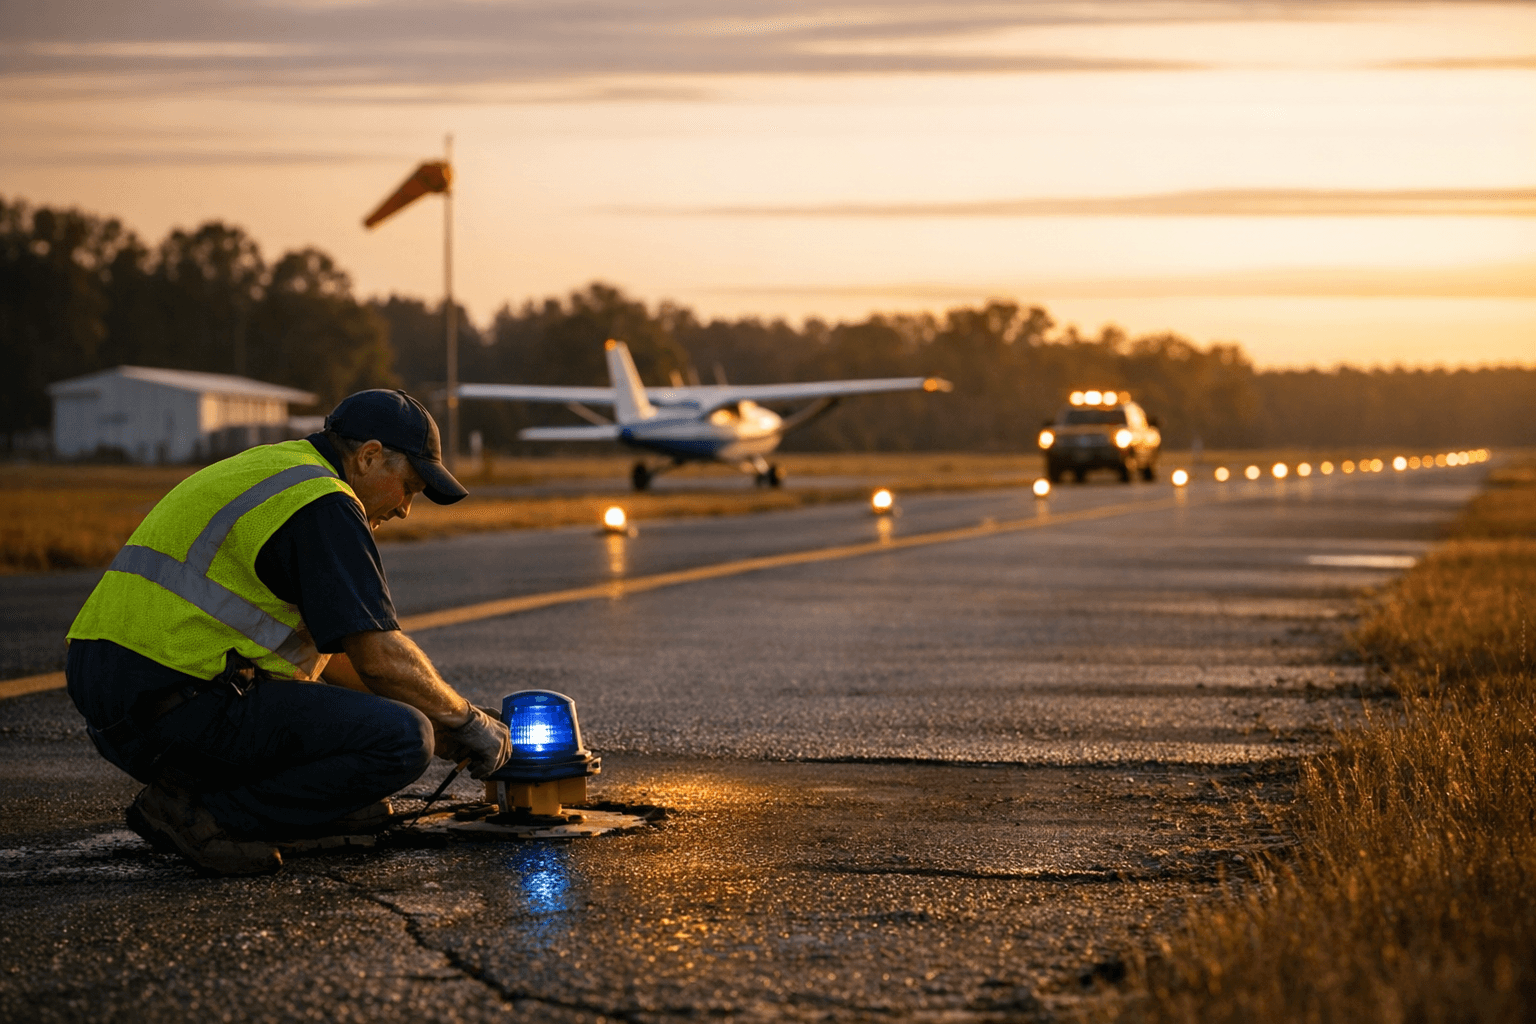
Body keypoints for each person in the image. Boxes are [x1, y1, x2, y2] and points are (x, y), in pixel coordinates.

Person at [64, 389, 511, 875]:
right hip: (177, 707)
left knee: (394, 724)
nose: (405, 509)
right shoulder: (326, 501)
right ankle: (201, 815)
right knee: (403, 739)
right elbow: (379, 656)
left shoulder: (275, 470)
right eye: (409, 487)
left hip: (121, 709)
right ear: (369, 456)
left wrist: (437, 714)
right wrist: (467, 722)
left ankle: (253, 802)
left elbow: (341, 657)